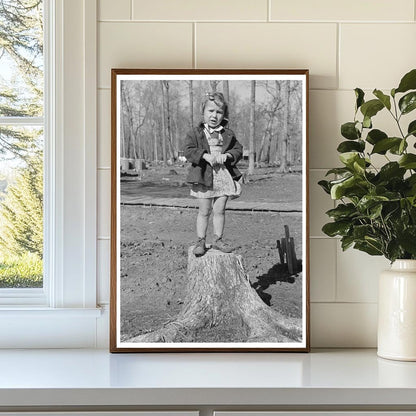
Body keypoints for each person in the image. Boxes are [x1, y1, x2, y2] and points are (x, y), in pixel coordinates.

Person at [184, 92, 243, 257]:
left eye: (218, 112)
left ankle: (218, 239)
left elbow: (238, 149)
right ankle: (201, 240)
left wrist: (229, 155)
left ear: (224, 114)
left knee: (220, 210)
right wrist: (204, 155)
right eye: (210, 111)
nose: (214, 115)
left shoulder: (227, 133)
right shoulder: (196, 132)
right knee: (204, 211)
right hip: (204, 175)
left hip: (222, 175)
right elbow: (188, 150)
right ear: (203, 112)